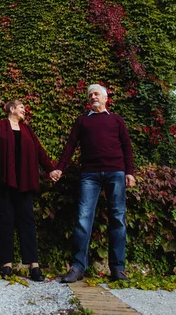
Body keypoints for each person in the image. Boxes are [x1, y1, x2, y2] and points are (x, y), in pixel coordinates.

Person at [51, 84, 136, 283]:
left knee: (118, 218)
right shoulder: (82, 121)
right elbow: (70, 145)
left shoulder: (116, 119)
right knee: (83, 218)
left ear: (106, 98)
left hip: (116, 172)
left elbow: (127, 146)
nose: (93, 97)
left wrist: (130, 172)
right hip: (89, 174)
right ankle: (78, 267)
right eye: (90, 95)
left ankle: (117, 269)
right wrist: (60, 168)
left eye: (96, 94)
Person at [0, 100, 59, 282]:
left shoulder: (27, 130)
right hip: (2, 181)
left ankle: (34, 265)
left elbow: (40, 151)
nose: (24, 110)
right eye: (21, 107)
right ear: (12, 109)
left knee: (27, 222)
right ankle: (6, 264)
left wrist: (50, 169)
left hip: (24, 182)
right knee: (5, 221)